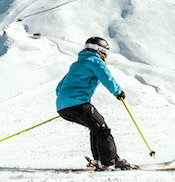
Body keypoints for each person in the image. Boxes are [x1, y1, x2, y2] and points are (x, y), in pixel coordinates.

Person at [56, 36, 134, 169]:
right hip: (78, 103)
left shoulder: (77, 64)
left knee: (96, 128)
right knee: (103, 130)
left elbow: (59, 87)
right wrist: (118, 92)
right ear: (100, 50)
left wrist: (66, 103)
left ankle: (98, 160)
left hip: (63, 107)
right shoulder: (94, 61)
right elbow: (106, 77)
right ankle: (110, 162)